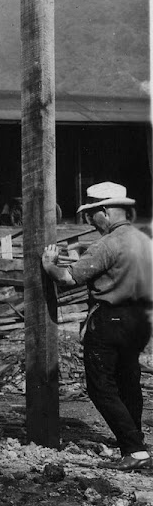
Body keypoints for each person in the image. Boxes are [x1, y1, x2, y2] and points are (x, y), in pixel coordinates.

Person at [42, 182, 152, 470]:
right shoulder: (142, 239)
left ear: (104, 211)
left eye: (92, 215)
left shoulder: (107, 244)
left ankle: (134, 448)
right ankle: (135, 443)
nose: (90, 222)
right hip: (138, 320)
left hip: (109, 320)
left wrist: (49, 264)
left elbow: (67, 278)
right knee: (129, 382)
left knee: (100, 387)